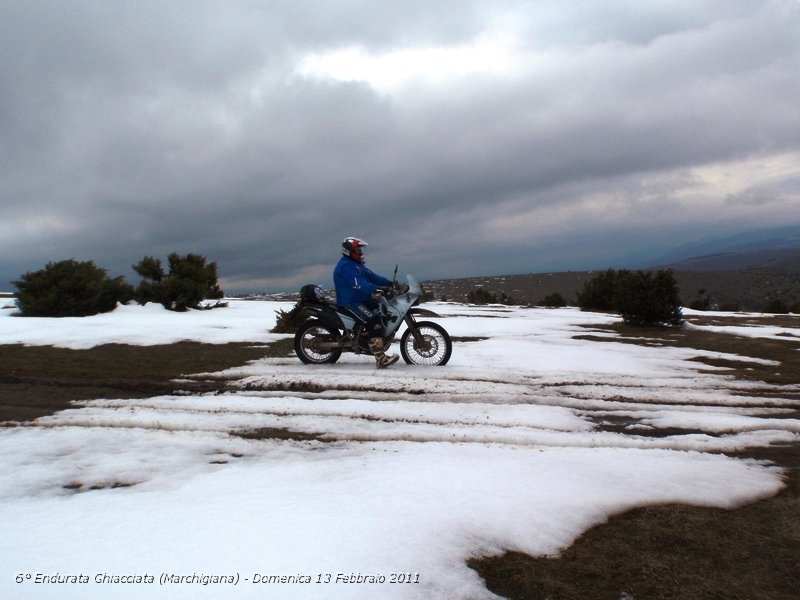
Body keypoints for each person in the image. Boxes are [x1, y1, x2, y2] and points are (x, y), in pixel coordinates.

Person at [333, 236, 399, 368]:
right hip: (351, 302)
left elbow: (372, 276)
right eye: (357, 249)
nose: (360, 252)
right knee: (374, 322)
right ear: (348, 251)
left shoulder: (357, 265)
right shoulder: (346, 266)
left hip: (361, 299)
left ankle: (367, 336)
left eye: (360, 249)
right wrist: (376, 289)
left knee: (382, 315)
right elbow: (357, 284)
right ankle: (380, 359)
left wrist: (389, 283)